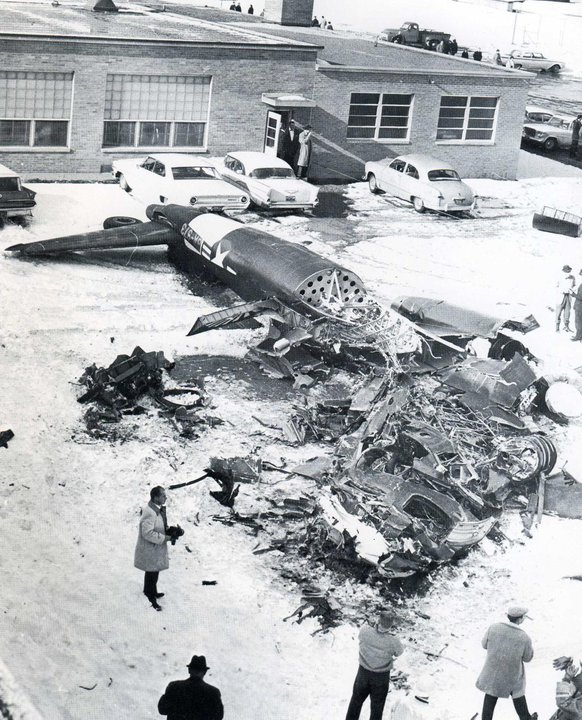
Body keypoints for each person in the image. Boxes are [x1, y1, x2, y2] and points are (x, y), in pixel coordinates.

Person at [476, 606, 537, 720]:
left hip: (492, 671)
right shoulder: (524, 637)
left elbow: (484, 645)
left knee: (491, 694)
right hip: (511, 674)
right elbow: (527, 658)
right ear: (520, 619)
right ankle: (526, 718)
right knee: (518, 694)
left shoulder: (493, 628)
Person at [345, 610, 404, 720]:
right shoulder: (394, 640)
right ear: (391, 625)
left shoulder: (365, 631)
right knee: (377, 708)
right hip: (381, 677)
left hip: (363, 673)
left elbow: (360, 637)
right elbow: (399, 652)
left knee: (355, 702)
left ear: (378, 620)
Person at [134, 486, 172, 611]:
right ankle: (150, 595)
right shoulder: (150, 512)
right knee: (151, 571)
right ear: (156, 498)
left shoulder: (156, 510)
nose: (165, 498)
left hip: (155, 547)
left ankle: (152, 591)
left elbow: (159, 526)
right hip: (150, 548)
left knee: (154, 570)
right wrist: (164, 538)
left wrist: (171, 531)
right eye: (163, 496)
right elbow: (147, 533)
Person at [158, 655, 224, 720]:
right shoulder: (213, 692)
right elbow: (218, 717)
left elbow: (162, 709)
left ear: (189, 670)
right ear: (205, 672)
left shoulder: (174, 687)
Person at [556, 264, 575, 332]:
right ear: (563, 271)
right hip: (560, 297)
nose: (568, 272)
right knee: (558, 313)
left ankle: (566, 327)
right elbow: (554, 287)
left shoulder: (572, 277)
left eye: (569, 271)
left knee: (567, 312)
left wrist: (572, 290)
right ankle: (557, 328)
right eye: (567, 271)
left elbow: (574, 286)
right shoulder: (559, 277)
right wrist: (561, 291)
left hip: (568, 297)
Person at [571, 270, 582, 341]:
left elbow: (580, 297)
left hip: (580, 306)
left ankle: (578, 337)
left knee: (578, 322)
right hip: (578, 305)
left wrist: (573, 294)